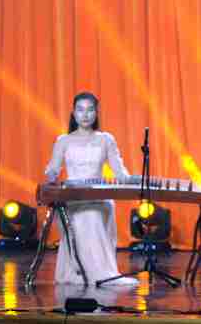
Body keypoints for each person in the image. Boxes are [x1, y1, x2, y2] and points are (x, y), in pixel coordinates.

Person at [44, 92, 137, 286]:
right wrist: (51, 175)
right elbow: (52, 169)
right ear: (73, 113)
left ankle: (102, 273)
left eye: (90, 110)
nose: (85, 115)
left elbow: (120, 172)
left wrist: (133, 179)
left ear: (96, 113)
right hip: (73, 197)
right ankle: (79, 272)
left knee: (94, 213)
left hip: (98, 197)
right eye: (80, 110)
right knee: (86, 215)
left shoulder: (106, 139)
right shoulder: (63, 140)